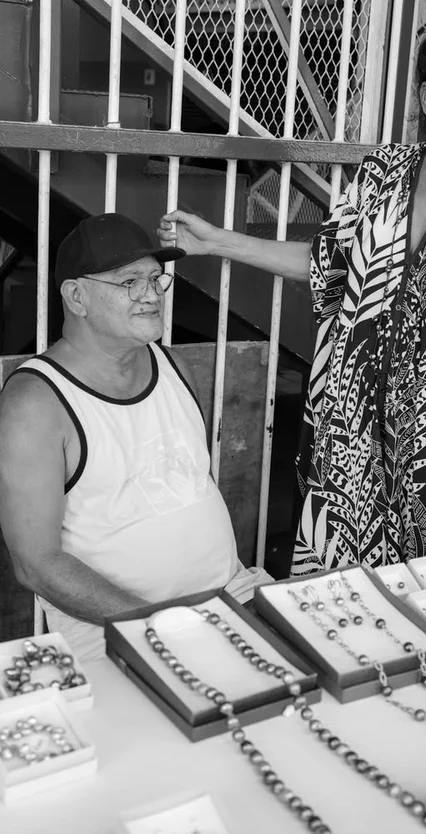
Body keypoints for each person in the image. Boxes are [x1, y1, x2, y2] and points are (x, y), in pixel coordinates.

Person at [157, 0, 426, 574]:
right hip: (351, 436)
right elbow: (325, 264)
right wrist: (216, 242)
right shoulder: (381, 176)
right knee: (346, 610)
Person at [0, 213, 270, 661]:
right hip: (119, 633)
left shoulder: (172, 367)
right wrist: (165, 625)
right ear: (77, 296)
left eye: (155, 279)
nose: (151, 295)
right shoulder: (37, 403)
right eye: (129, 282)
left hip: (232, 596)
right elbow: (37, 565)